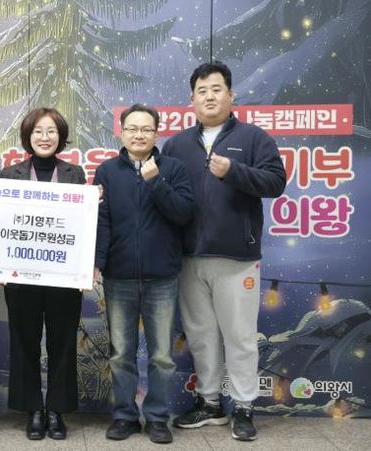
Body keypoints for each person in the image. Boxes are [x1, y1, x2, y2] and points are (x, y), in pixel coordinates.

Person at [162, 61, 286, 441]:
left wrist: (232, 171)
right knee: (200, 334)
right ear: (192, 99)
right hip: (188, 258)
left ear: (231, 95)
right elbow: (163, 196)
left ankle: (244, 406)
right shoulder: (176, 145)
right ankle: (210, 402)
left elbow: (275, 182)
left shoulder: (253, 138)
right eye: (202, 91)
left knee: (240, 336)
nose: (209, 97)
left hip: (237, 259)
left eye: (216, 89)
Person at [93, 104, 194, 444]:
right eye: (132, 129)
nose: (139, 135)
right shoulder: (107, 171)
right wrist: (97, 262)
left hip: (162, 277)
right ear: (121, 133)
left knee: (161, 356)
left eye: (146, 129)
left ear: (156, 134)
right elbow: (102, 222)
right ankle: (124, 416)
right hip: (119, 276)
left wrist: (156, 182)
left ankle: (157, 418)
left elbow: (183, 214)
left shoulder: (174, 169)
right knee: (121, 353)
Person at [0, 108, 85, 441]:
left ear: (60, 137)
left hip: (63, 275)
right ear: (28, 137)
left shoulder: (75, 174)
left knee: (63, 342)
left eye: (51, 131)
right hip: (22, 274)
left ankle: (56, 410)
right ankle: (33, 409)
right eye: (38, 131)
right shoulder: (10, 174)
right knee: (24, 341)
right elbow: (0, 223)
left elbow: (82, 225)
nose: (44, 137)